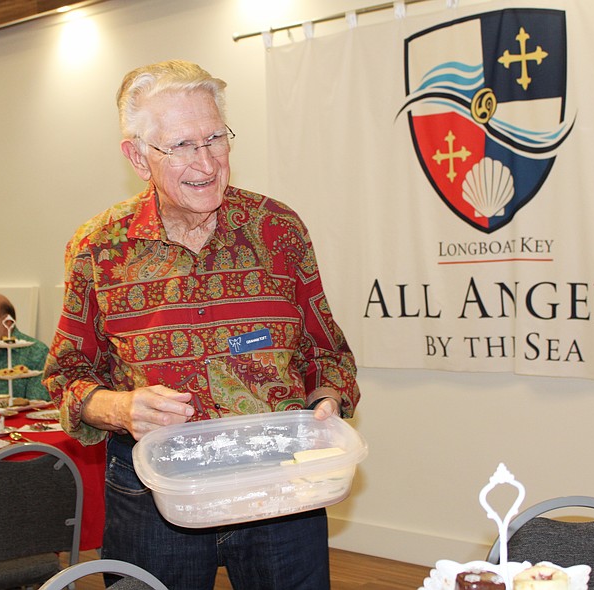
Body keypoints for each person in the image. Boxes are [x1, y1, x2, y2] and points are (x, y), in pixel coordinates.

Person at [43, 60, 360, 590]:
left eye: (216, 138)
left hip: (279, 489)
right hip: (153, 495)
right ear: (138, 156)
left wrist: (325, 399)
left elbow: (327, 353)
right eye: (183, 145)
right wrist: (119, 406)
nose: (208, 162)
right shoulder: (98, 248)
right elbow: (65, 377)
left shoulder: (277, 229)